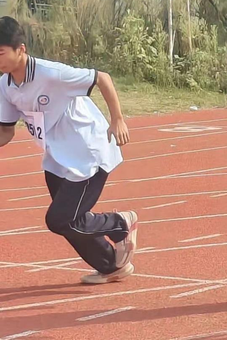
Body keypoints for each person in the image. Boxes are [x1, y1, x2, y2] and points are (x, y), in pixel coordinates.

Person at [0, 16, 138, 284]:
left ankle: (120, 223)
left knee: (60, 220)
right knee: (71, 221)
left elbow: (102, 78)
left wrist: (118, 119)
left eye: (0, 52)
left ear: (21, 49)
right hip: (56, 158)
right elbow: (6, 131)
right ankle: (111, 266)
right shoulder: (5, 86)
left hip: (88, 153)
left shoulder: (51, 74)